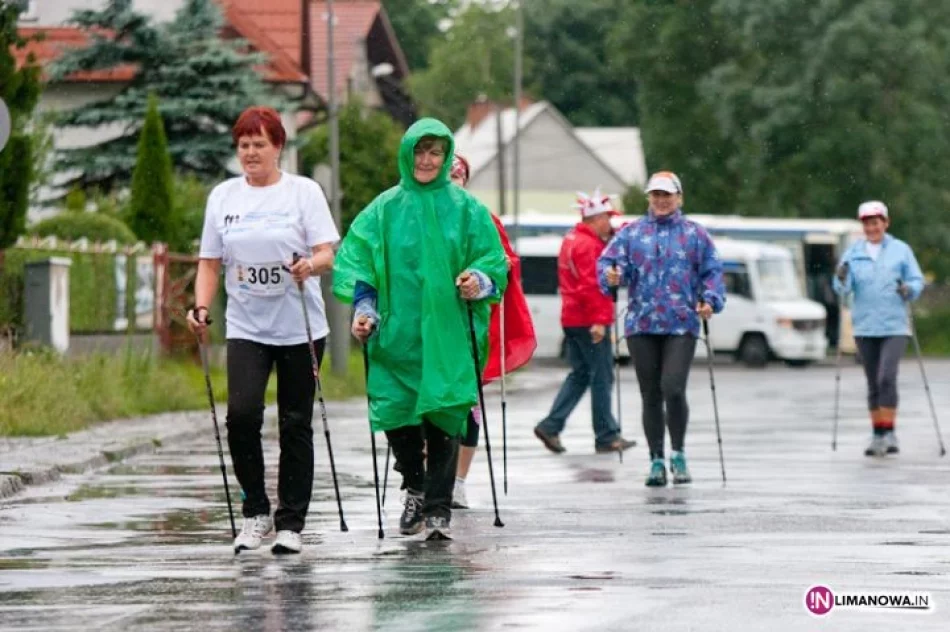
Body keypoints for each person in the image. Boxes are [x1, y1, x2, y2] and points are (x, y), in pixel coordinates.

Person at [332, 119, 508, 540]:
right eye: (419, 151)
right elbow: (358, 264)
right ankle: (414, 483)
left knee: (445, 414)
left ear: (446, 156)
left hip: (448, 334)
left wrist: (477, 281)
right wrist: (365, 309)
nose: (426, 160)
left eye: (434, 152)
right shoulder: (383, 209)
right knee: (398, 414)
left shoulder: (468, 210)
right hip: (398, 335)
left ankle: (438, 509)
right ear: (407, 154)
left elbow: (493, 262)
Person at [186, 106, 340, 554]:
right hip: (247, 325)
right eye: (244, 145)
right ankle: (256, 511)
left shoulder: (303, 193)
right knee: (242, 417)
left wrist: (309, 265)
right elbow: (209, 262)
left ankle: (290, 523)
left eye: (260, 144)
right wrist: (200, 305)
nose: (251, 153)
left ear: (278, 148)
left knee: (295, 423)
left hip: (300, 327)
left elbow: (328, 252)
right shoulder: (224, 197)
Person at [598, 171, 725, 487]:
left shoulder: (695, 234)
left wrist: (710, 300)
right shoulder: (632, 233)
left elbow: (712, 272)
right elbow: (609, 264)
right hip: (641, 324)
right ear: (649, 199)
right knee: (650, 394)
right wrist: (611, 277)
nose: (661, 200)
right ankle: (656, 459)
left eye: (667, 195)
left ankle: (678, 453)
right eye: (656, 195)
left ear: (679, 198)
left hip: (681, 323)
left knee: (673, 388)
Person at [449, 155, 536, 509]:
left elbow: (505, 260)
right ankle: (424, 479)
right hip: (428, 327)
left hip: (472, 326)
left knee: (468, 404)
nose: (453, 183)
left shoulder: (483, 217)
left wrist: (481, 277)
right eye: (448, 177)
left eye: (458, 177)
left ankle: (457, 481)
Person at [533, 190, 637, 455]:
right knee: (601, 377)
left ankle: (551, 425)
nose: (610, 223)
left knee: (580, 374)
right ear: (595, 217)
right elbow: (594, 286)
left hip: (572, 316)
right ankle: (606, 435)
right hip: (589, 319)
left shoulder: (572, 240)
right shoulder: (589, 246)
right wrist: (601, 321)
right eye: (607, 217)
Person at [833, 200, 924, 457]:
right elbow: (843, 290)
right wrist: (840, 278)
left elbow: (916, 280)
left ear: (885, 222)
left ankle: (889, 432)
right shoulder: (853, 253)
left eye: (875, 223)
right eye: (867, 224)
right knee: (873, 382)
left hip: (895, 324)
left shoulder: (900, 250)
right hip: (865, 326)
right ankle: (877, 434)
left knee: (887, 376)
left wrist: (909, 289)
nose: (871, 228)